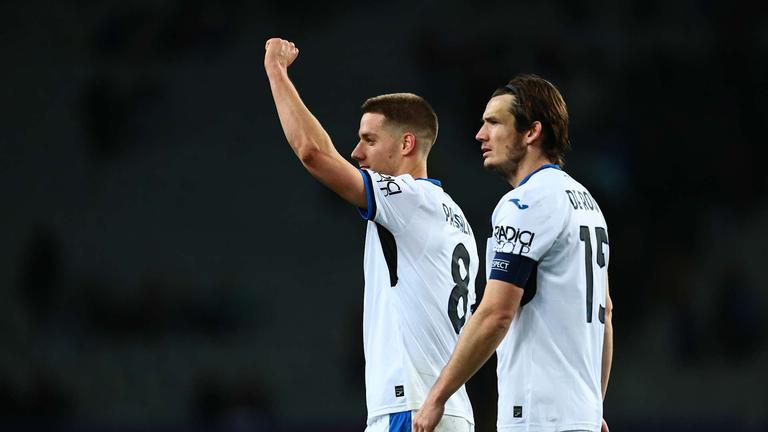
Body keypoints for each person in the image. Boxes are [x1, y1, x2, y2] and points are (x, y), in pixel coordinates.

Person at [264, 38, 479, 432]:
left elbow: (313, 152)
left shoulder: (411, 200)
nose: (356, 153)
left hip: (410, 406)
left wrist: (276, 72)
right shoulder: (456, 218)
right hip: (449, 409)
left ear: (406, 144)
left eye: (369, 139)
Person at [414, 75, 613, 432]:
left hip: (538, 415)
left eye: (493, 123)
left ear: (531, 132)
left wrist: (437, 396)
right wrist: (591, 405)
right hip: (577, 416)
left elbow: (496, 314)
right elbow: (606, 313)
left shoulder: (526, 202)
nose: (481, 134)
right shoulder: (588, 204)